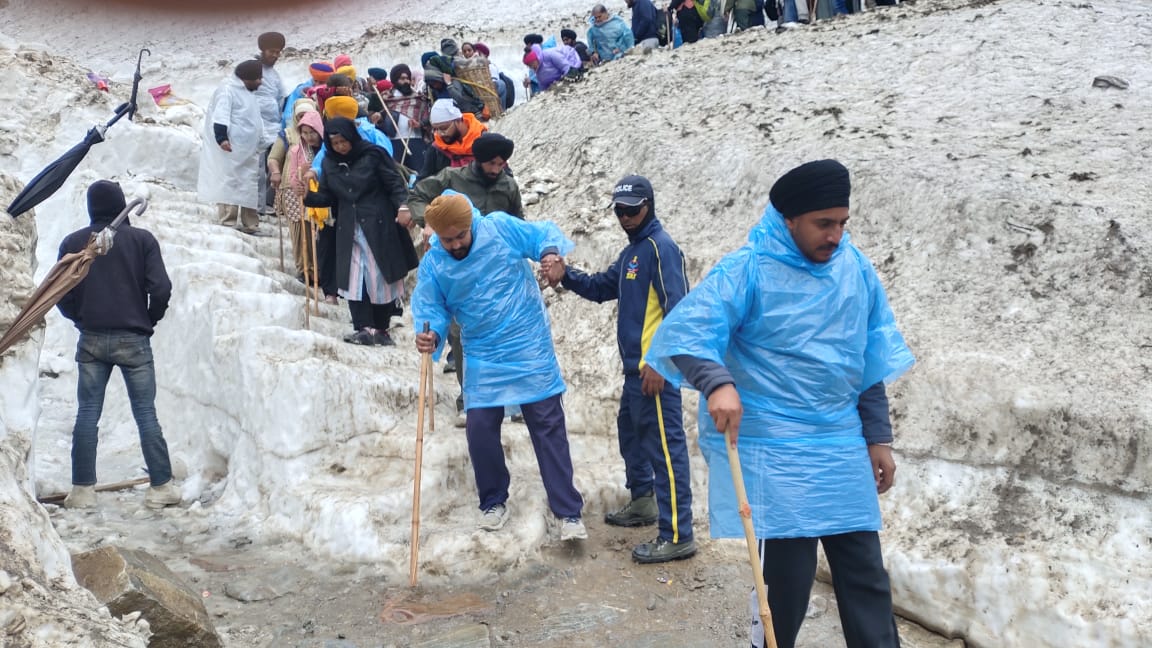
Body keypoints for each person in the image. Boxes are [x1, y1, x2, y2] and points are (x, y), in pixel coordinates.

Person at [644, 160, 914, 648]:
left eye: (842, 222)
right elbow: (686, 333)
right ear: (789, 219)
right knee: (784, 585)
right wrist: (717, 381)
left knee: (866, 575)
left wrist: (877, 438)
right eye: (823, 223)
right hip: (776, 449)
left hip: (838, 444)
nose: (835, 235)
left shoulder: (856, 271)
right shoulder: (748, 268)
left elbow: (867, 359)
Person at [412, 193, 586, 541]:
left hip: (527, 342)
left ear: (470, 224)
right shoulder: (434, 264)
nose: (456, 244)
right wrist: (428, 333)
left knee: (547, 422)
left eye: (461, 235)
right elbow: (432, 306)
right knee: (479, 425)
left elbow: (540, 236)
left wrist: (550, 254)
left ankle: (568, 511)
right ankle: (492, 501)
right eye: (448, 239)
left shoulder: (499, 229)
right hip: (482, 351)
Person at [542, 175, 696, 564]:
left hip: (654, 371)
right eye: (619, 211)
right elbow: (600, 287)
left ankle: (678, 533)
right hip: (634, 372)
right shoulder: (633, 253)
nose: (625, 217)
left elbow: (681, 312)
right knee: (632, 437)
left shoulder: (662, 250)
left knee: (665, 449)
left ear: (650, 205)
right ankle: (644, 500)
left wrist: (661, 362)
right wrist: (567, 274)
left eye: (632, 210)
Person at [56, 181, 180, 510]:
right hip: (133, 339)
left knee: (87, 414)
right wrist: (149, 318)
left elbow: (60, 292)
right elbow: (162, 288)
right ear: (121, 203)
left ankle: (82, 490)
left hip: (92, 339)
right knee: (145, 414)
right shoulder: (142, 241)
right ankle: (161, 486)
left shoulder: (75, 242)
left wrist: (79, 317)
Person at [409, 133, 524, 426]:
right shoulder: (451, 178)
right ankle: (469, 400)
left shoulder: (508, 186)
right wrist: (430, 224)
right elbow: (418, 195)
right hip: (457, 270)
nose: (497, 168)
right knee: (462, 335)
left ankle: (513, 399)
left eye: (501, 163)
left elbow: (517, 223)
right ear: (477, 160)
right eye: (492, 163)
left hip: (495, 273)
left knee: (504, 333)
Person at [304, 118, 418, 346]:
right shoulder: (329, 163)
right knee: (355, 280)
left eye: (343, 142)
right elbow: (327, 195)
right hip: (350, 229)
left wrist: (404, 207)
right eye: (334, 143)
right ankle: (363, 328)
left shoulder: (373, 155)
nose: (340, 147)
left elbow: (395, 184)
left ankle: (382, 328)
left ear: (352, 138)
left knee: (382, 277)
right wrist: (307, 196)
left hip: (379, 224)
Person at [198, 60, 274, 235]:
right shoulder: (227, 90)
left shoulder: (247, 91)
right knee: (230, 184)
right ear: (247, 78)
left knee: (248, 186)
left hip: (248, 151)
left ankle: (251, 224)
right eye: (257, 78)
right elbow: (220, 116)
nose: (260, 82)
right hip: (231, 150)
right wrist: (222, 138)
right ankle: (227, 222)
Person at [267, 103, 324, 281]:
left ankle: (320, 268)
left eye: (307, 114)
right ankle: (305, 268)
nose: (303, 118)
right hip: (293, 189)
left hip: (318, 192)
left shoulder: (324, 143)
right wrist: (276, 172)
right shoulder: (289, 136)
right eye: (300, 115)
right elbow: (274, 158)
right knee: (301, 231)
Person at [253, 32, 286, 215]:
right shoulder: (251, 68)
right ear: (263, 50)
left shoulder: (274, 75)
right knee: (256, 170)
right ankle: (254, 207)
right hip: (254, 126)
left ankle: (266, 202)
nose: (275, 55)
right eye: (272, 51)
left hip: (273, 127)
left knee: (273, 164)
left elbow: (281, 98)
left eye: (278, 52)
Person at [419, 98, 488, 180]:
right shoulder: (436, 150)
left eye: (444, 128)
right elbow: (423, 181)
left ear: (458, 120)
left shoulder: (485, 143)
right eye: (436, 129)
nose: (440, 134)